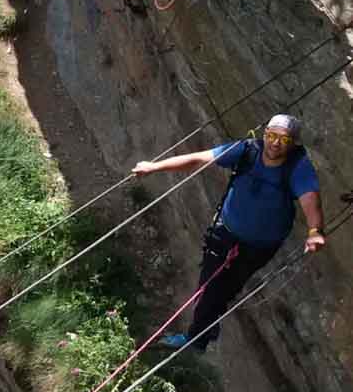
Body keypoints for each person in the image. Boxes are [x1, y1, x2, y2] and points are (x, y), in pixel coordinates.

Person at [132, 114, 325, 351]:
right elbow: (199, 159)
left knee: (223, 289)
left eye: (283, 140)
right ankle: (199, 337)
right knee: (208, 289)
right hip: (225, 232)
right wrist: (154, 167)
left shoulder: (297, 166)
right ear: (264, 134)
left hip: (257, 248)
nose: (275, 143)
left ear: (293, 143)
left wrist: (315, 230)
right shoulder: (246, 151)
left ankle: (199, 335)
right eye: (271, 136)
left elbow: (310, 200)